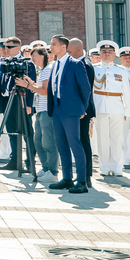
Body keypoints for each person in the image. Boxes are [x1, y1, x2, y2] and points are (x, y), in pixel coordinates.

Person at [47, 35, 92, 194]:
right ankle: (67, 178)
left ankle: (81, 181)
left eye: (53, 44)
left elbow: (85, 89)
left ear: (63, 47)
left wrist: (82, 108)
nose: (50, 47)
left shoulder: (76, 64)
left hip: (72, 110)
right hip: (57, 108)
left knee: (75, 144)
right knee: (61, 145)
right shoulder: (55, 64)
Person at [16, 46, 59, 184]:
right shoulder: (43, 71)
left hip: (47, 110)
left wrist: (28, 86)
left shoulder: (47, 70)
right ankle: (46, 168)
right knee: (38, 141)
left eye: (34, 55)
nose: (32, 58)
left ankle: (53, 172)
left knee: (48, 142)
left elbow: (45, 91)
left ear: (42, 55)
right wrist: (32, 83)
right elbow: (40, 88)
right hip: (40, 110)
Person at [91, 41, 130, 177]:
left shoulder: (120, 71)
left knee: (117, 139)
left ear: (114, 54)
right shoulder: (94, 69)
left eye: (109, 52)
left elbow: (127, 92)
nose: (107, 54)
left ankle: (117, 166)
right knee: (102, 139)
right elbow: (90, 91)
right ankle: (104, 166)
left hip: (117, 108)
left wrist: (128, 111)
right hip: (99, 107)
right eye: (104, 52)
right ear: (100, 54)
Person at [0, 36, 36, 172]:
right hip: (7, 100)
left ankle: (30, 162)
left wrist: (29, 104)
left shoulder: (26, 63)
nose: (6, 49)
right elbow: (0, 84)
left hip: (21, 101)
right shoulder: (6, 62)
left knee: (27, 132)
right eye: (5, 47)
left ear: (18, 48)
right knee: (11, 131)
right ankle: (15, 160)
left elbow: (31, 84)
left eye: (9, 47)